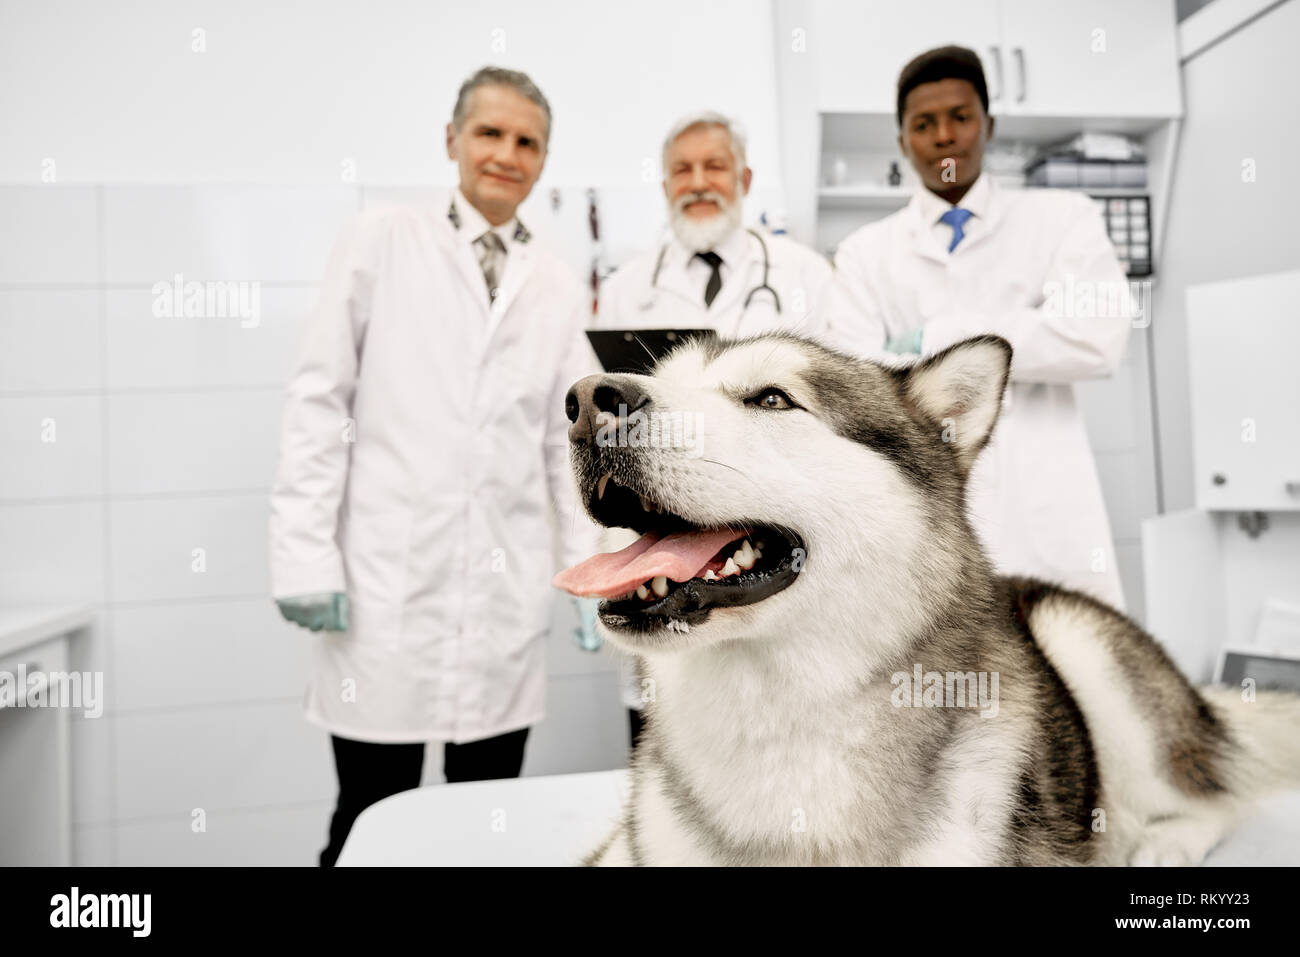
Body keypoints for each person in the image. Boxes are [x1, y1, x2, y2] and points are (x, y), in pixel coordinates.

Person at [268, 66, 602, 866]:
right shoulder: (382, 240)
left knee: (487, 819)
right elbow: (320, 401)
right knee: (369, 813)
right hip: (384, 590)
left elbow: (569, 441)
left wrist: (590, 567)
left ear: (544, 160)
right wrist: (303, 554)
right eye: (490, 133)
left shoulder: (555, 283)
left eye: (527, 141)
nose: (506, 154)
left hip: (502, 599)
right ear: (451, 140)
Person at [829, 45, 1132, 612]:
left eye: (960, 117)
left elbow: (1095, 339)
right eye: (924, 123)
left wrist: (937, 337)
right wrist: (1019, 335)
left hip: (1044, 500)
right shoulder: (864, 253)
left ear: (987, 125)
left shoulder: (1064, 219)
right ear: (903, 142)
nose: (944, 135)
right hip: (924, 512)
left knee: (1070, 668)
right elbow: (853, 380)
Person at [589, 110, 847, 747]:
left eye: (714, 167)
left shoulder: (803, 274)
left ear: (745, 177)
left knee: (788, 735)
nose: (698, 182)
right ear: (664, 183)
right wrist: (598, 554)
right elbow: (601, 434)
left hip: (764, 532)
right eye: (683, 169)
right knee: (669, 742)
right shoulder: (626, 288)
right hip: (663, 525)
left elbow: (846, 416)